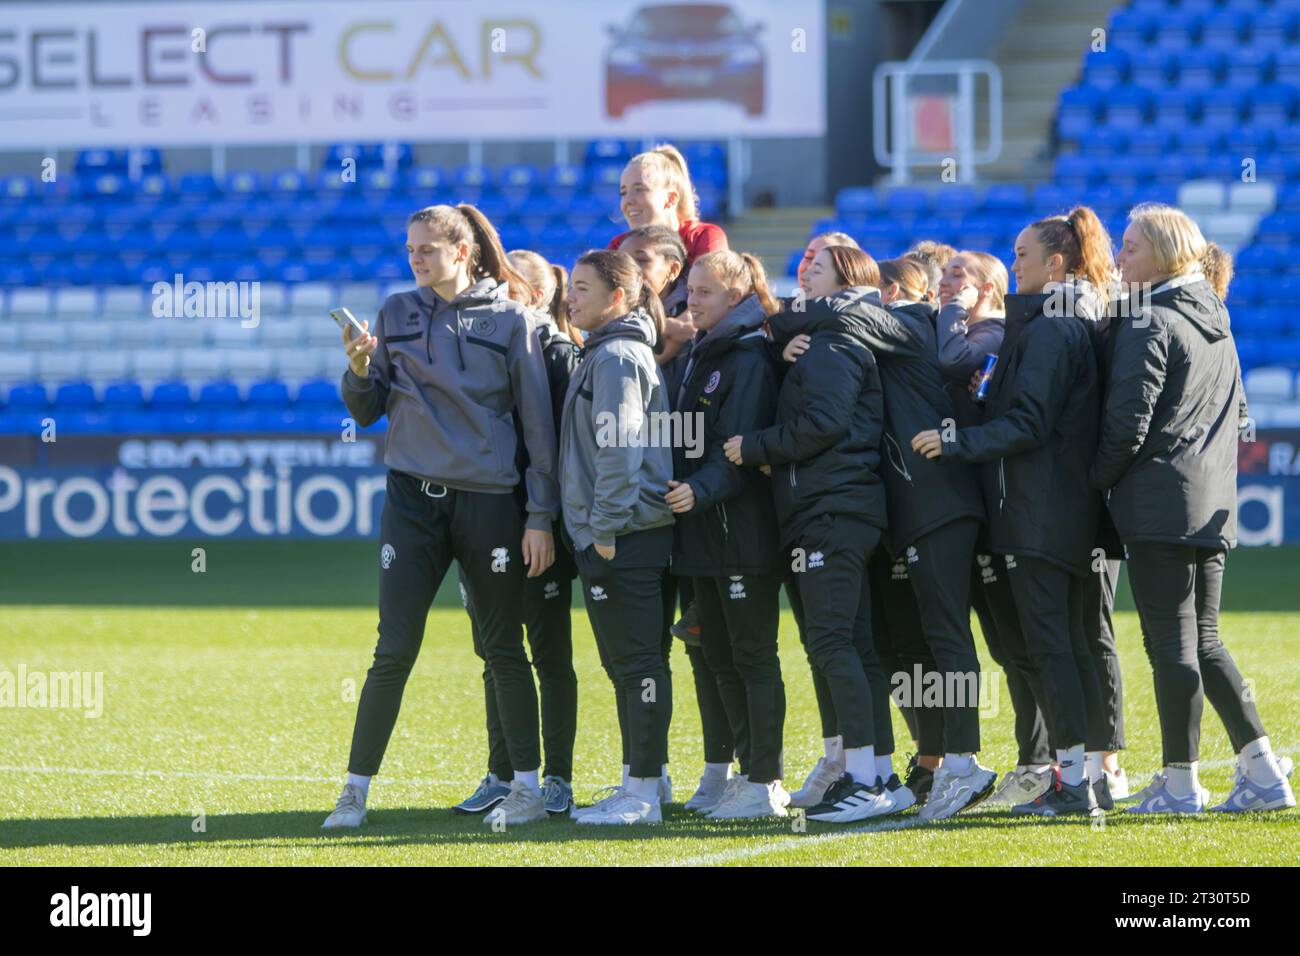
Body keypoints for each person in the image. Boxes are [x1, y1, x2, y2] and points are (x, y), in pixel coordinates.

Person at [323, 204, 559, 829]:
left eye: (428, 248)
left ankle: (527, 790)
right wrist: (356, 369)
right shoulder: (395, 311)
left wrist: (540, 514)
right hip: (410, 501)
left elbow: (537, 424)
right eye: (410, 249)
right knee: (393, 648)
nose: (416, 258)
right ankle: (353, 792)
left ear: (464, 251)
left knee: (503, 648)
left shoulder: (513, 320)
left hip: (488, 503)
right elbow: (367, 409)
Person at [1093, 203, 1295, 814]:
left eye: (1129, 246)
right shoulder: (1216, 317)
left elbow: (1128, 426)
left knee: (1173, 647)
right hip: (1210, 506)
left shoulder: (1150, 320)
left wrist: (1093, 481)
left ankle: (1180, 784)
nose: (1119, 257)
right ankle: (1262, 771)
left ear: (1164, 252)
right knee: (1204, 641)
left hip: (1160, 506)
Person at [782, 246, 989, 820]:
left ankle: (964, 765)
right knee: (924, 642)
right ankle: (940, 762)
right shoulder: (890, 331)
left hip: (939, 499)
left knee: (948, 638)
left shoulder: (909, 320)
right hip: (918, 503)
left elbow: (844, 315)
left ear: (888, 296)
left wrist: (787, 327)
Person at [913, 213, 1108, 818]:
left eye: (1022, 254)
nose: (1013, 262)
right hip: (1054, 507)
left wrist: (955, 443)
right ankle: (1078, 777)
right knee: (1063, 645)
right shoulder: (1064, 319)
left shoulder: (1053, 326)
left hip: (1040, 510)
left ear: (1055, 263)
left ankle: (1074, 781)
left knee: (1053, 646)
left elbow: (1029, 423)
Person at [728, 255, 899, 823]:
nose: (804, 273)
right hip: (838, 508)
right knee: (854, 645)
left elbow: (822, 424)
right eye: (803, 263)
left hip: (832, 509)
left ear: (847, 282)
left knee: (833, 644)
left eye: (818, 267)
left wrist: (754, 447)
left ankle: (863, 780)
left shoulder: (833, 343)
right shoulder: (823, 339)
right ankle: (876, 776)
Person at [454, 249, 581, 817]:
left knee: (550, 654)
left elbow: (556, 449)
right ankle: (502, 772)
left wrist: (544, 517)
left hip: (536, 526)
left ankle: (556, 777)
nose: (496, 295)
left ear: (537, 295)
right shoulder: (483, 351)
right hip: (482, 525)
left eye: (509, 286)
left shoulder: (557, 354)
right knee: (496, 654)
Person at [666, 249, 789, 818]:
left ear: (735, 297)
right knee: (716, 654)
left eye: (705, 292)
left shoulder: (748, 357)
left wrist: (701, 490)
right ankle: (745, 772)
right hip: (699, 532)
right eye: (691, 290)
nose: (693, 300)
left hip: (739, 529)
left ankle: (766, 780)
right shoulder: (700, 350)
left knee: (752, 656)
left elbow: (738, 444)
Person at [618, 224, 735, 809]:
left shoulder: (704, 334)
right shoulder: (624, 333)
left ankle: (721, 771)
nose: (631, 266)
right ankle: (646, 773)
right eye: (625, 258)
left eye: (642, 258)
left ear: (671, 268)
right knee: (641, 649)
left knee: (703, 645)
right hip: (642, 512)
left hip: (688, 508)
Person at [561, 249, 677, 825]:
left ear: (617, 297)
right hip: (628, 532)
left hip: (625, 534)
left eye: (582, 288)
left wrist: (602, 528)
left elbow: (621, 446)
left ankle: (639, 793)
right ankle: (646, 784)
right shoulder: (610, 351)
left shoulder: (617, 356)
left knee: (637, 667)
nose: (570, 297)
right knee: (639, 665)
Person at [610, 144, 728, 268]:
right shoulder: (618, 246)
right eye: (623, 193)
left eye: (639, 189)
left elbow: (708, 285)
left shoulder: (702, 238)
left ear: (670, 199)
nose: (628, 200)